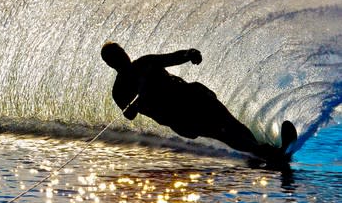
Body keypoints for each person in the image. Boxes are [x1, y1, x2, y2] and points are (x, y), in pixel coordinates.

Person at [101, 41, 296, 162]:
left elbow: (171, 58)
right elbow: (129, 115)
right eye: (116, 58)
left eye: (121, 52)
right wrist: (135, 103)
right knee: (224, 134)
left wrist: (188, 53)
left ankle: (265, 151)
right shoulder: (120, 90)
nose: (122, 57)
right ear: (110, 64)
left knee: (233, 125)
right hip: (181, 117)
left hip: (194, 97)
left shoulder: (145, 62)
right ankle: (264, 152)